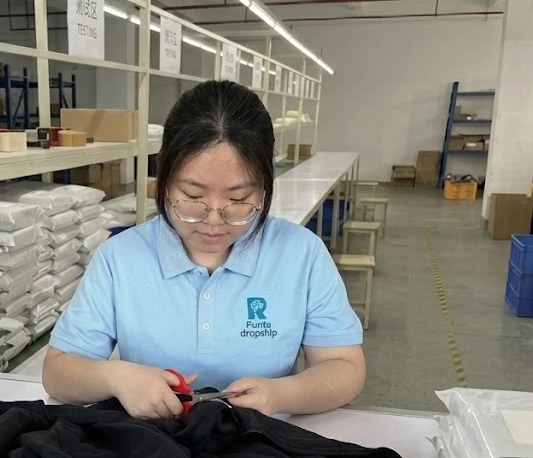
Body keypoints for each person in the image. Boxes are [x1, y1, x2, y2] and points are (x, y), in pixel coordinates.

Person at [43, 80, 365, 419]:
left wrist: (281, 394)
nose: (213, 220)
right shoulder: (120, 258)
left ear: (265, 187)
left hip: (263, 439)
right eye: (193, 196)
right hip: (153, 442)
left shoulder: (302, 254)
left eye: (238, 198)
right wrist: (115, 377)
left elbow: (344, 367)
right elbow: (58, 372)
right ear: (164, 180)